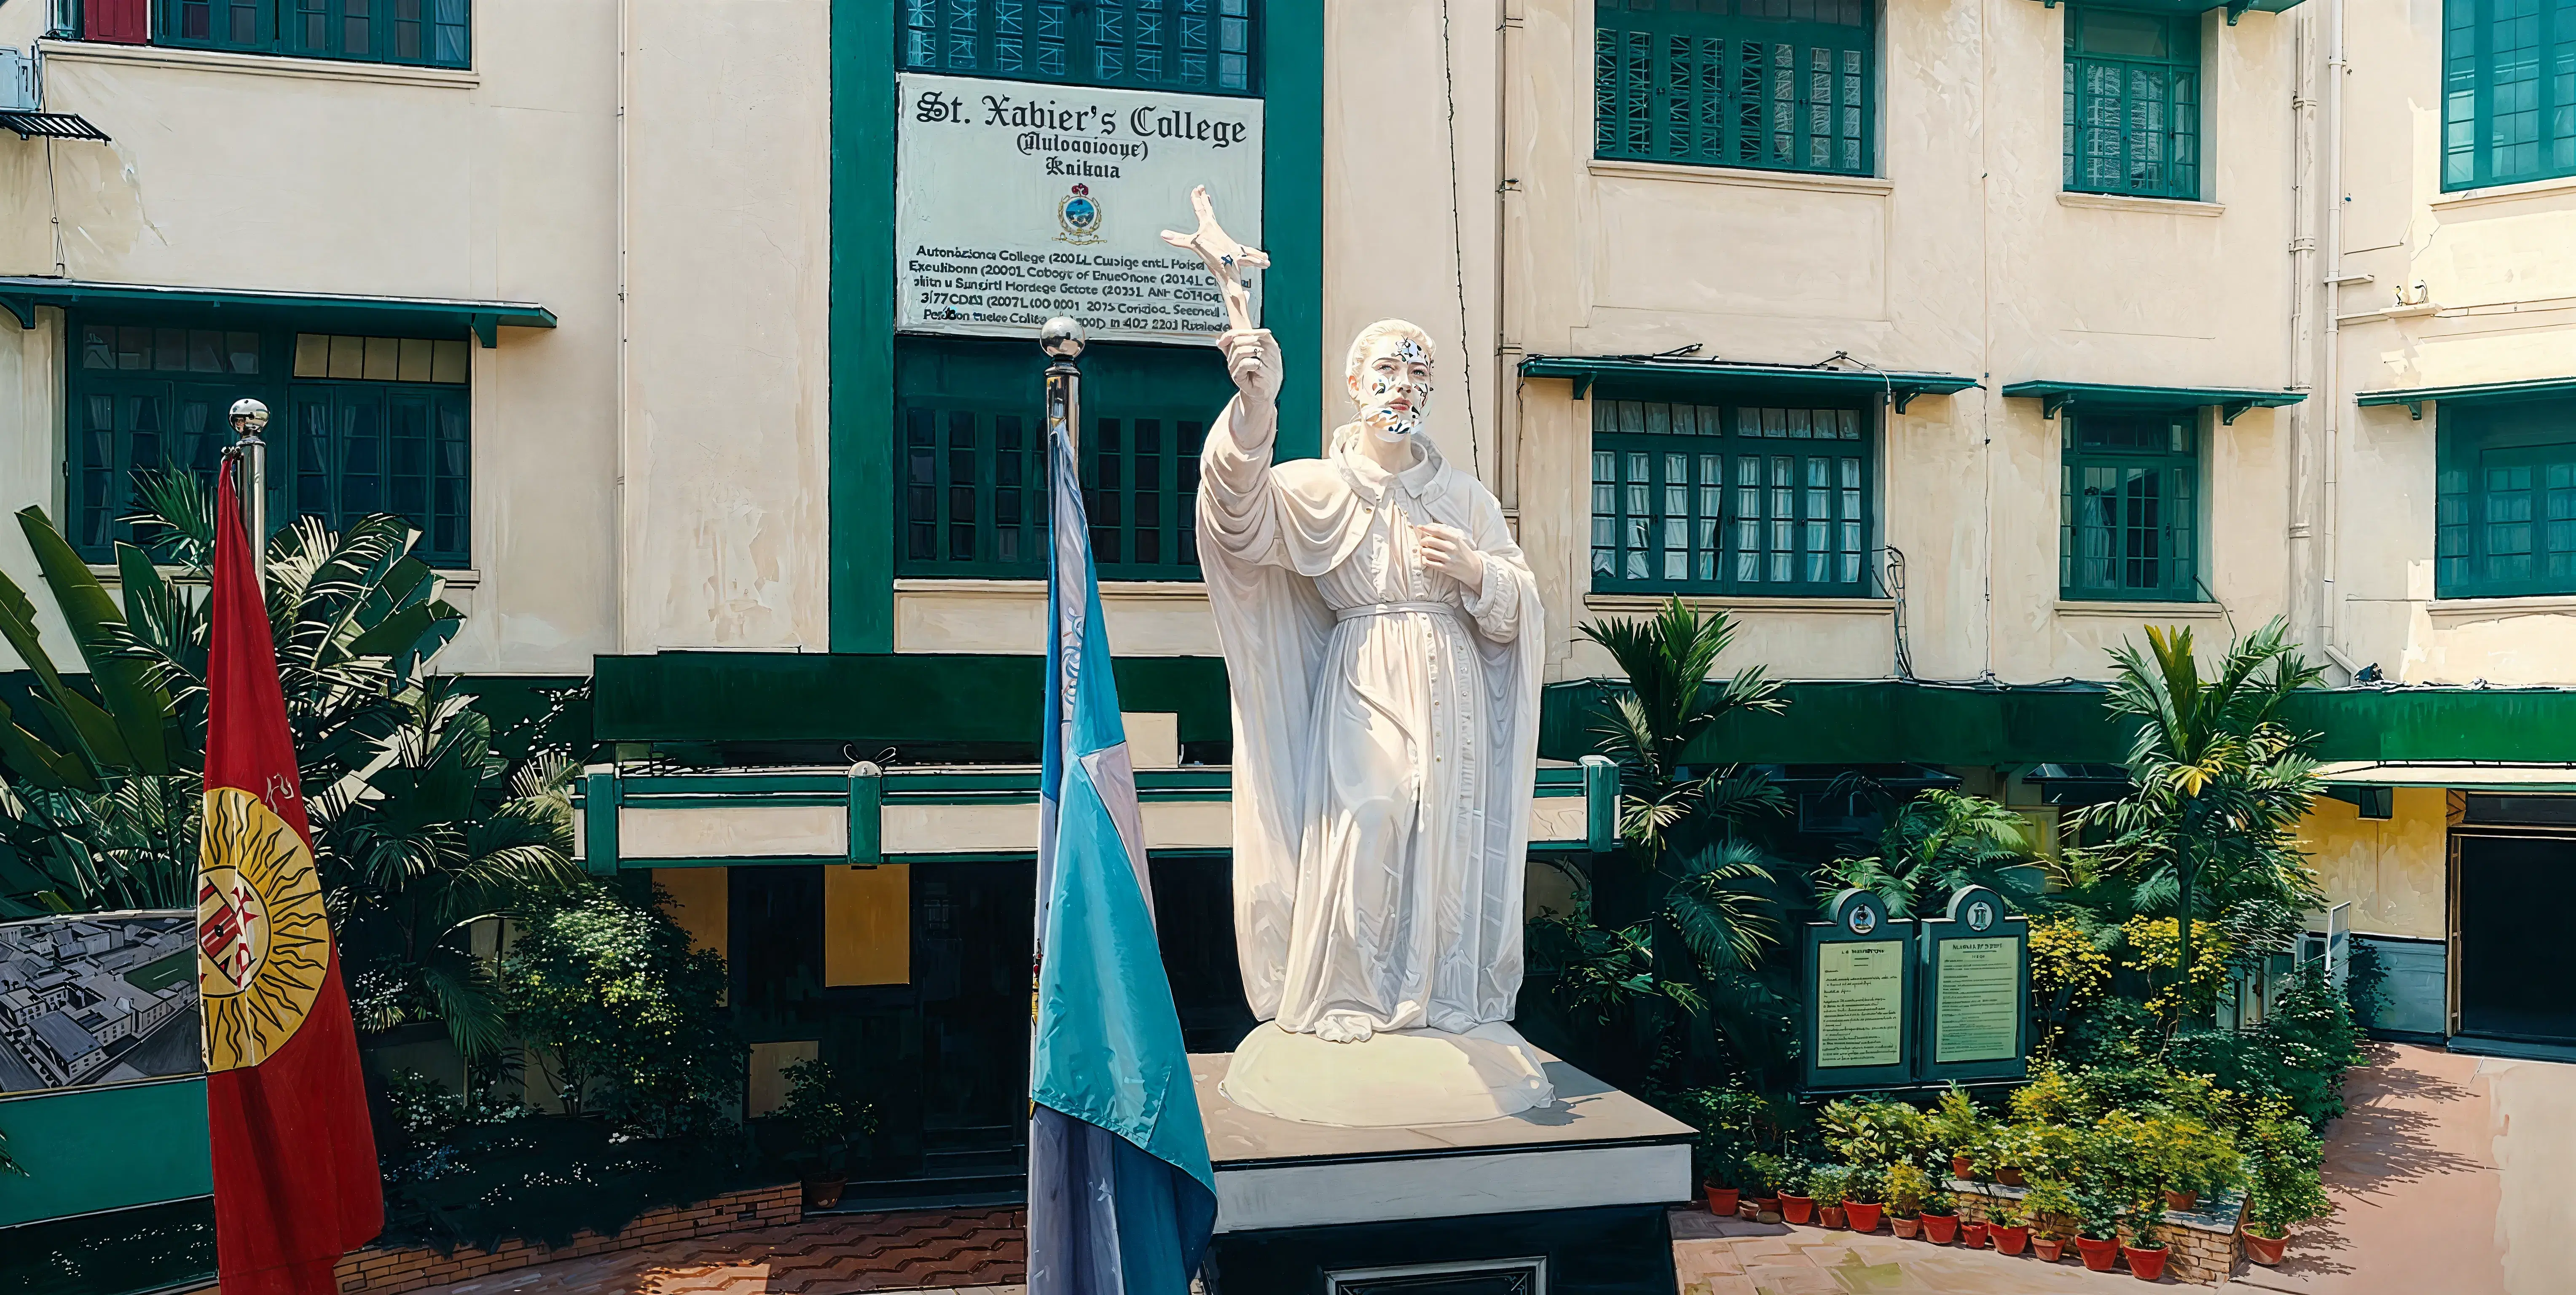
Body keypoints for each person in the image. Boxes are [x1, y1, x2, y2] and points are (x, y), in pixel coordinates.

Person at [1195, 319, 1546, 1049]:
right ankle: (1349, 989)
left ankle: (1445, 989)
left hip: (1451, 682)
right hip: (1364, 666)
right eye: (1387, 370)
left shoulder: (1466, 499)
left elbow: (1521, 609)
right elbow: (1236, 514)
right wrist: (1257, 408)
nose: (1404, 386)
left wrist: (1478, 573)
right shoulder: (1318, 486)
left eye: (1419, 376)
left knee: (1446, 830)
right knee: (1371, 816)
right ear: (1355, 386)